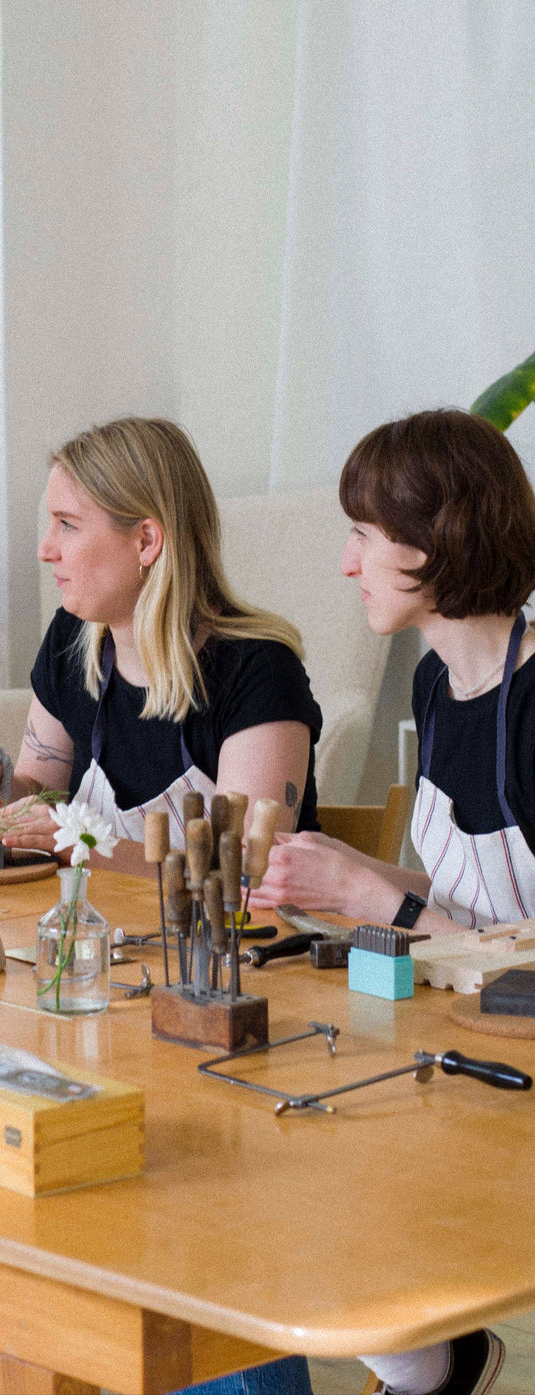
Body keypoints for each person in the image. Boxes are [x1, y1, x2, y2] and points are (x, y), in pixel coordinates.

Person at [0, 415, 322, 1395]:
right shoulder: (77, 644)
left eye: (68, 524)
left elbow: (236, 865)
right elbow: (42, 785)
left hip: (223, 1012)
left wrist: (72, 834)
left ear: (147, 539)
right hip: (96, 992)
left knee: (123, 1205)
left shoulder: (255, 670)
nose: (44, 549)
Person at [253, 407, 529, 1395]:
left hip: (516, 1054)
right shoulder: (438, 685)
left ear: (428, 544)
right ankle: (435, 1366)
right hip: (465, 1027)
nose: (346, 564)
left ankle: (434, 1366)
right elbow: (468, 896)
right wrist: (349, 875)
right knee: (270, 1151)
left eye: (362, 537)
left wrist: (378, 895)